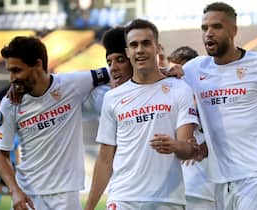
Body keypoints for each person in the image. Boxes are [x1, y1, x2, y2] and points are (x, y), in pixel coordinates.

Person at [181, 2, 257, 210]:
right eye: (204, 28)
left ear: (233, 30)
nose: (209, 33)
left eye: (216, 27)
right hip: (220, 180)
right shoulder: (194, 69)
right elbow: (162, 84)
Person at [85, 19, 204, 210]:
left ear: (157, 48)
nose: (139, 49)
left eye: (146, 43)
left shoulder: (179, 88)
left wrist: (175, 146)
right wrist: (89, 207)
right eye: (134, 45)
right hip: (123, 199)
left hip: (167, 200)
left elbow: (189, 150)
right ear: (128, 52)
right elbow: (105, 159)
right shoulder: (112, 98)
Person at [0, 36, 110, 210]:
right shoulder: (10, 104)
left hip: (65, 195)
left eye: (17, 70)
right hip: (27, 196)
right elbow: (2, 154)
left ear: (38, 64)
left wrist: (163, 71)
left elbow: (116, 70)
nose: (11, 78)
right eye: (9, 71)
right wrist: (15, 191)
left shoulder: (72, 83)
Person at [168, 46, 215, 210]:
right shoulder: (168, 98)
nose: (177, 77)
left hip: (204, 190)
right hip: (173, 190)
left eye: (181, 73)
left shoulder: (209, 98)